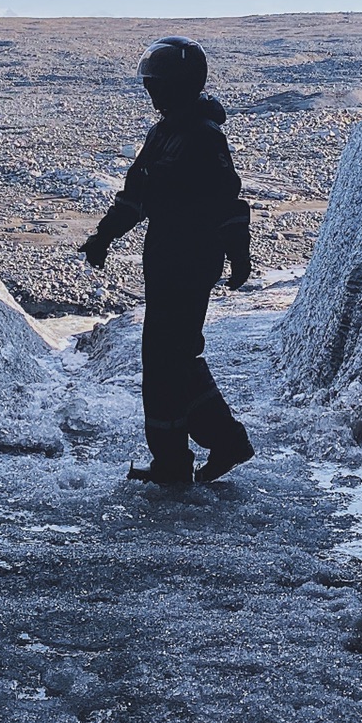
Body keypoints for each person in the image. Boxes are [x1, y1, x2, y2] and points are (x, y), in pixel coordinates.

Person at [82, 37, 255, 486]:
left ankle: (201, 450)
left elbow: (227, 199)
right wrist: (103, 237)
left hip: (191, 262)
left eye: (157, 85)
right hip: (165, 261)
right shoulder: (164, 134)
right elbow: (136, 194)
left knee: (168, 359)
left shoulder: (201, 136)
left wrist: (238, 254)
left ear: (180, 86)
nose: (150, 93)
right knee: (169, 358)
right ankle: (187, 455)